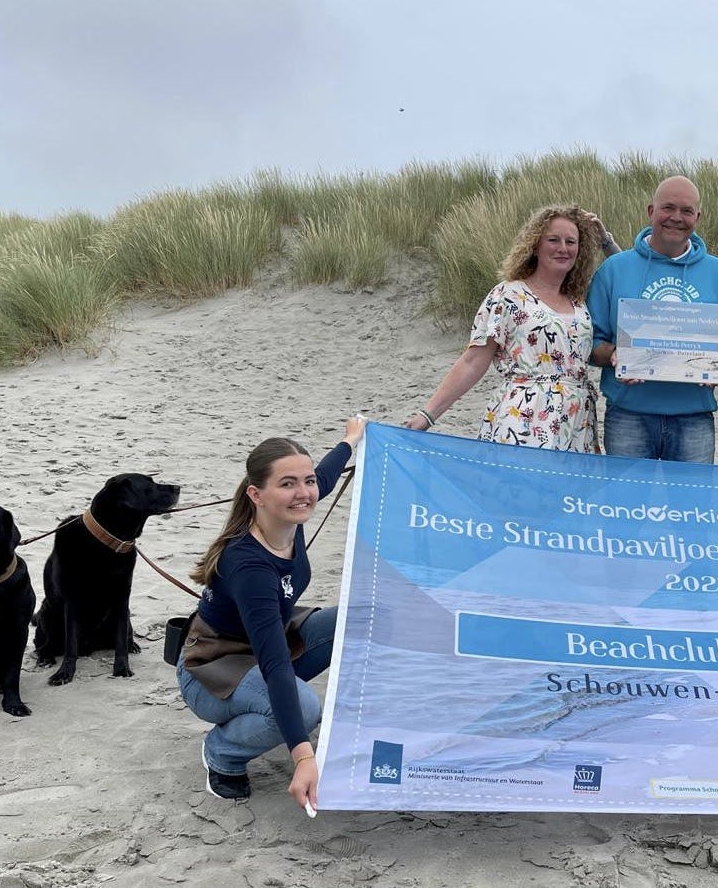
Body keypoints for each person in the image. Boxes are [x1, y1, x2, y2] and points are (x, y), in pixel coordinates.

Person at [177, 418, 365, 810]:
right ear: (256, 495)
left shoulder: (287, 515)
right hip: (212, 669)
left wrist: (351, 438)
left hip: (267, 642)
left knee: (358, 618)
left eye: (307, 481)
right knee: (305, 707)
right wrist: (304, 756)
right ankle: (222, 753)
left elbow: (325, 477)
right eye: (287, 484)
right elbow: (276, 664)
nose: (304, 494)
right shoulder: (250, 566)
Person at [403, 204, 608, 452]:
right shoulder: (508, 295)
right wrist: (428, 415)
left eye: (571, 241)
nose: (563, 248)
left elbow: (628, 284)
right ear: (535, 245)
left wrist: (606, 242)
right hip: (524, 417)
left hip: (577, 421)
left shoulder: (579, 300)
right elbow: (473, 361)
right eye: (553, 240)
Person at [587, 175, 718, 463]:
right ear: (651, 211)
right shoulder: (613, 270)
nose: (676, 218)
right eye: (668, 208)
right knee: (627, 506)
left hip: (693, 418)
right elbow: (590, 342)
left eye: (686, 211)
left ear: (698, 216)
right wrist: (614, 354)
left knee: (692, 507)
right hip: (628, 416)